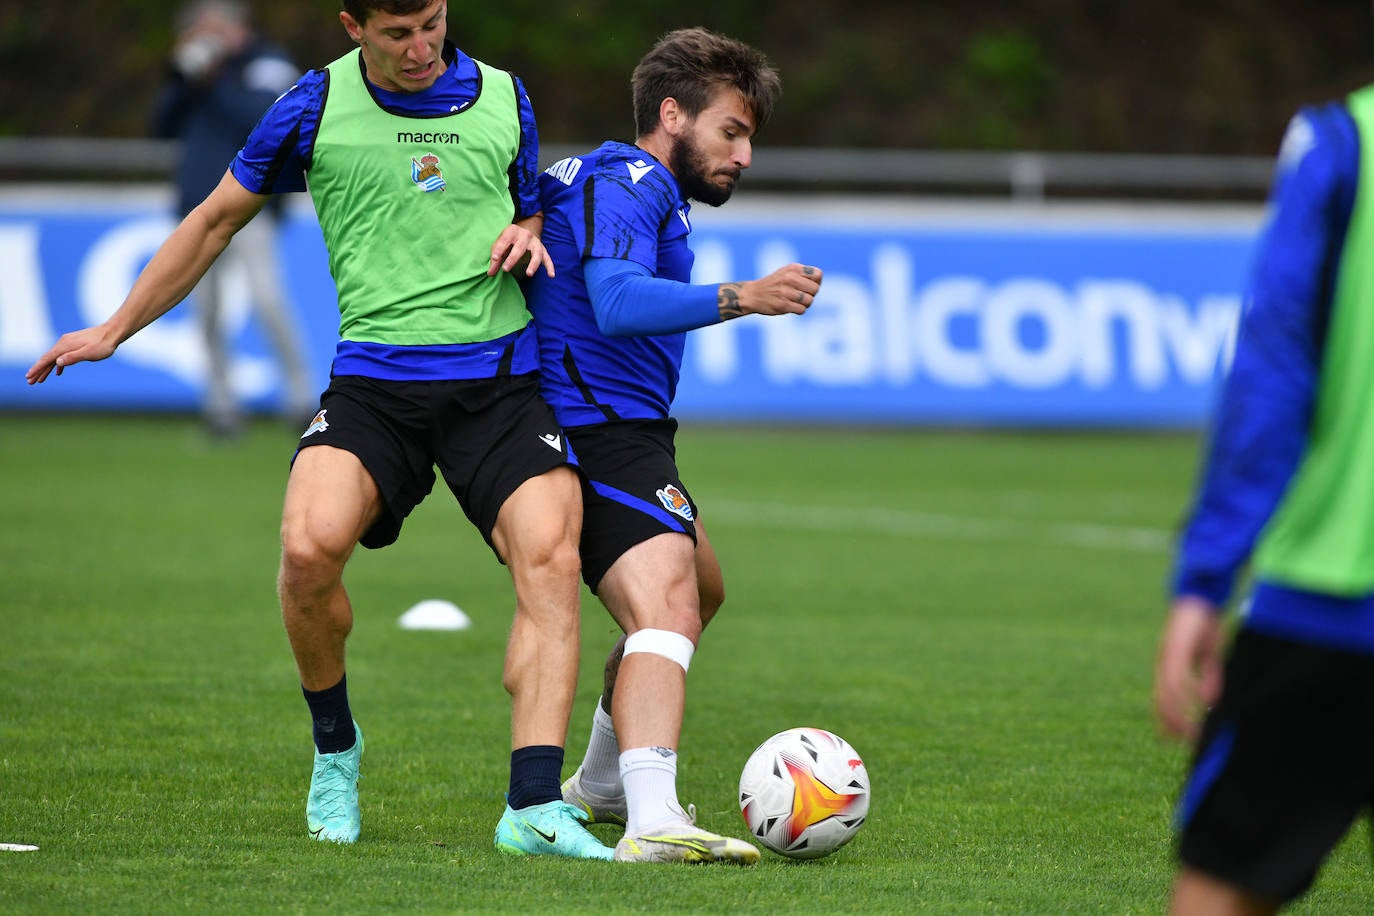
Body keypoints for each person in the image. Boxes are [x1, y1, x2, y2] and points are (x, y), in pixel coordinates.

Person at [27, 0, 612, 860]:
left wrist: (526, 230)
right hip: (376, 388)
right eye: (397, 32)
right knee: (307, 550)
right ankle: (336, 747)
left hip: (499, 385)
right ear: (352, 26)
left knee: (552, 561)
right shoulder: (309, 106)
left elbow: (527, 207)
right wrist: (116, 329)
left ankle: (532, 806)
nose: (422, 49)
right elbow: (213, 220)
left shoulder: (506, 98)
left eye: (433, 25)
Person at [524, 27, 822, 864]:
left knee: (703, 586)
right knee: (670, 604)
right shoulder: (631, 180)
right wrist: (743, 296)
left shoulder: (615, 182)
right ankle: (652, 816)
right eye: (732, 130)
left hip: (622, 427)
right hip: (595, 430)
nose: (745, 155)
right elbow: (616, 302)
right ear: (671, 114)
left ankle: (602, 786)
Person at [1153, 55, 1374, 914]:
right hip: (1331, 605)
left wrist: (1207, 577)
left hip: (1333, 599)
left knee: (1222, 893)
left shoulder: (1345, 139)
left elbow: (1273, 375)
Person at [153, 0, 315, 439]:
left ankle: (303, 400)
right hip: (196, 209)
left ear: (234, 28)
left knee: (268, 301)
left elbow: (267, 120)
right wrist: (187, 77)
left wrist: (217, 78)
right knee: (204, 311)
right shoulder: (197, 74)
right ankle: (220, 406)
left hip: (250, 207)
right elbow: (161, 125)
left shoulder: (266, 60)